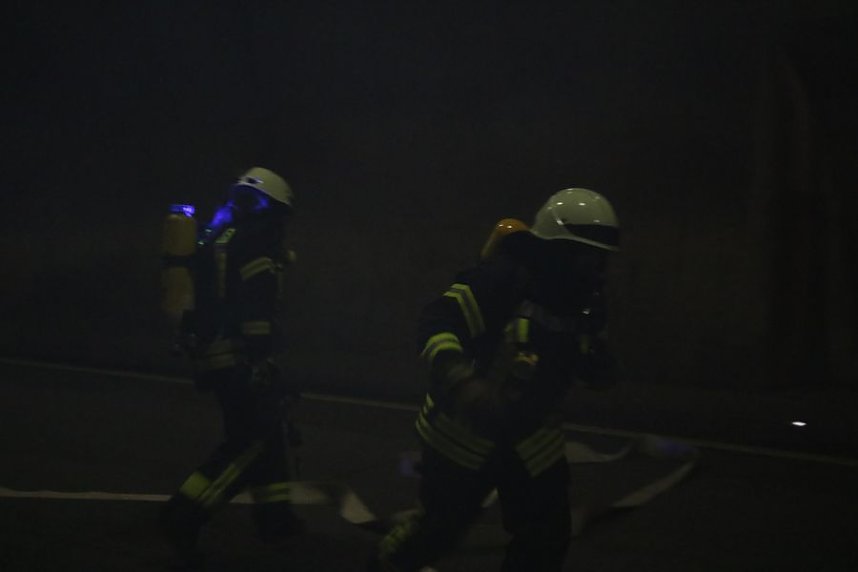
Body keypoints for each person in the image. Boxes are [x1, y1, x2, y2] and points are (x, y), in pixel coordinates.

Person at [371, 188, 621, 571]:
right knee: (437, 532)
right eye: (587, 256)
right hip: (466, 437)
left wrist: (597, 367)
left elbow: (581, 357)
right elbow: (437, 323)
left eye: (600, 258)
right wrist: (464, 382)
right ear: (559, 249)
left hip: (534, 441)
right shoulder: (501, 280)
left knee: (546, 537)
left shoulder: (585, 298)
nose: (595, 268)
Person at [159, 166, 304, 567]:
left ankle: (277, 521)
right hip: (239, 358)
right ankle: (184, 516)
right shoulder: (258, 242)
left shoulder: (218, 237)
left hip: (215, 353)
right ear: (272, 209)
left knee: (269, 436)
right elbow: (256, 310)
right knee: (248, 444)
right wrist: (261, 359)